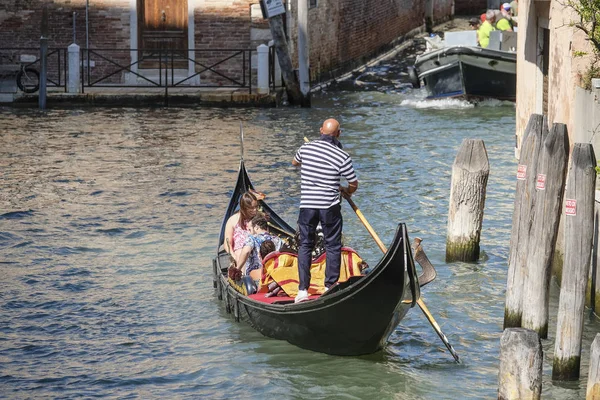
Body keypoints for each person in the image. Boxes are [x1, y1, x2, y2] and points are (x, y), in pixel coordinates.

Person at [292, 118, 358, 303]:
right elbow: (353, 183)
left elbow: (294, 163)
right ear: (338, 134)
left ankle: (302, 291)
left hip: (307, 206)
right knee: (332, 245)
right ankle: (329, 287)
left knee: (305, 245)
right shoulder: (341, 156)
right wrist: (347, 191)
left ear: (320, 130)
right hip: (329, 206)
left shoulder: (306, 148)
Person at [236, 213, 283, 284]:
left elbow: (246, 252)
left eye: (250, 229)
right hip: (274, 275)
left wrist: (237, 269)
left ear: (256, 227)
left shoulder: (252, 239)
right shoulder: (278, 239)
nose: (249, 232)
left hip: (254, 277)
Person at [223, 192, 258, 263]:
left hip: (256, 250)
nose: (255, 210)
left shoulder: (259, 219)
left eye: (256, 207)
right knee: (240, 254)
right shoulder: (232, 220)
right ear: (244, 208)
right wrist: (233, 257)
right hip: (239, 252)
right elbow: (227, 243)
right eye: (251, 208)